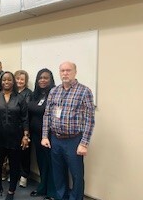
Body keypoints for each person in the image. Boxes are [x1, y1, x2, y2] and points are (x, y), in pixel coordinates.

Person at [41, 61, 95, 200]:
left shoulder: (84, 91)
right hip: (55, 139)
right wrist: (44, 136)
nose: (65, 73)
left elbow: (90, 119)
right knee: (58, 173)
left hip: (74, 140)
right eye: (62, 71)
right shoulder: (54, 91)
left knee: (76, 175)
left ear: (75, 72)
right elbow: (47, 114)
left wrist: (84, 143)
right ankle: (61, 197)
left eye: (68, 70)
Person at [0, 71, 29, 200]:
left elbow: (25, 118)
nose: (6, 82)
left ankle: (11, 191)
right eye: (4, 80)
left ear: (13, 82)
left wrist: (25, 136)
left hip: (15, 137)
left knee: (15, 164)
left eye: (9, 80)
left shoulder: (20, 98)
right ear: (1, 82)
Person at [29, 69, 56, 199]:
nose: (42, 80)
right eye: (40, 78)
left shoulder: (54, 94)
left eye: (45, 78)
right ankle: (42, 187)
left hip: (48, 136)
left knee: (50, 163)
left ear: (51, 80)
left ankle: (52, 191)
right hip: (36, 135)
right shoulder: (36, 94)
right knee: (41, 162)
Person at [14, 70, 33, 188]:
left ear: (25, 81)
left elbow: (24, 111)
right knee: (14, 152)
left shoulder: (28, 93)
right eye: (17, 78)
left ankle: (24, 176)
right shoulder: (12, 92)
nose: (19, 81)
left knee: (25, 153)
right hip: (12, 128)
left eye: (22, 79)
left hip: (24, 128)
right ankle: (15, 173)